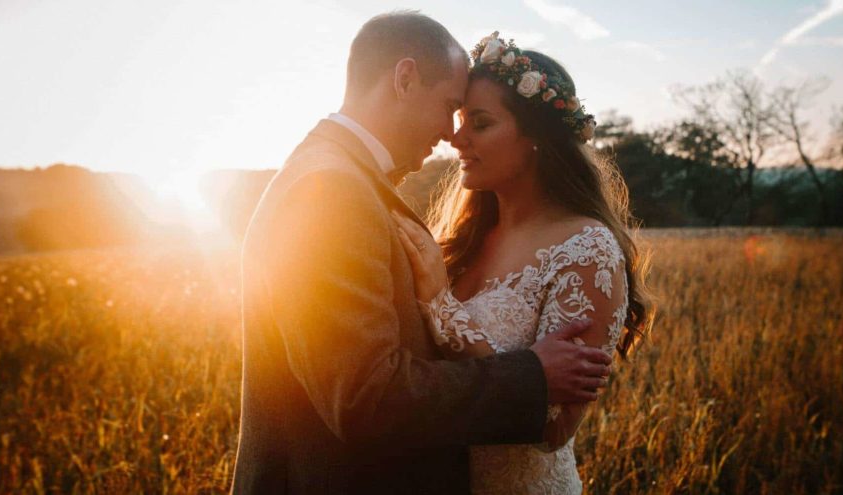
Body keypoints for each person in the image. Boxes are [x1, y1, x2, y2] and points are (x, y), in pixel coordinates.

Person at [230, 14, 614, 495]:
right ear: (405, 79)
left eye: (474, 118)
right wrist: (531, 377)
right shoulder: (333, 191)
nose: (451, 134)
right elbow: (366, 398)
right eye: (451, 107)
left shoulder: (336, 175)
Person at [393, 32, 655, 493]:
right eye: (459, 119)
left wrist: (440, 304)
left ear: (536, 138)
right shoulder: (460, 241)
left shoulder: (585, 251)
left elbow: (552, 430)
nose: (457, 138)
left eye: (480, 122)